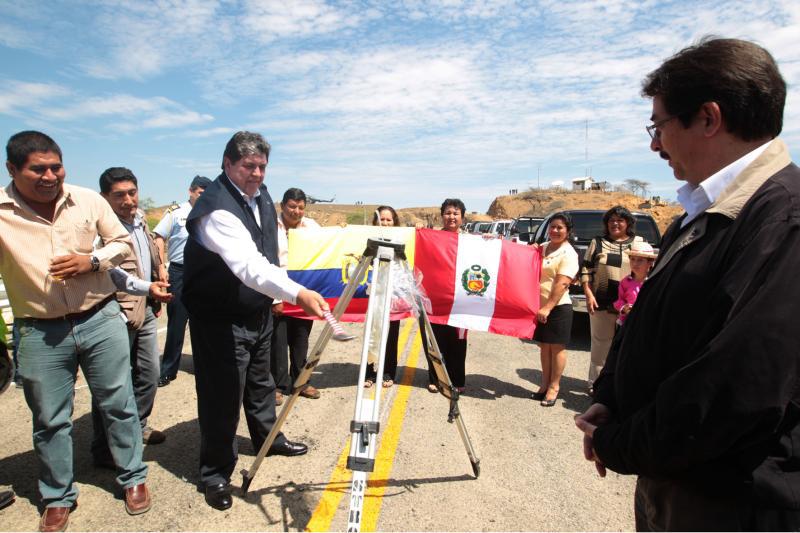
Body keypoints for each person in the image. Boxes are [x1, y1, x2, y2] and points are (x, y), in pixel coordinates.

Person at [575, 37, 800, 531]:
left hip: (732, 502)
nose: (655, 144)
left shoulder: (782, 218)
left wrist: (618, 442)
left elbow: (734, 388)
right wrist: (610, 397)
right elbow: (649, 323)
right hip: (678, 483)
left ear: (708, 118)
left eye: (659, 125)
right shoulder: (697, 216)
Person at [0, 131, 150, 531]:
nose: (51, 176)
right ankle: (57, 496)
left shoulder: (87, 199)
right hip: (39, 331)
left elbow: (121, 241)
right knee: (50, 419)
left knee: (118, 402)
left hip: (99, 319)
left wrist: (93, 260)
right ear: (13, 169)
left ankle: (133, 476)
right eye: (39, 169)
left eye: (56, 166)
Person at [181, 131, 329, 512]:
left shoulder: (260, 195)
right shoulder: (216, 208)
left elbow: (270, 250)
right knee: (222, 395)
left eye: (262, 166)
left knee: (261, 383)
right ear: (227, 164)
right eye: (249, 166)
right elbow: (248, 264)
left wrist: (276, 295)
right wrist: (296, 293)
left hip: (257, 311)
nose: (257, 173)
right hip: (220, 318)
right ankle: (214, 472)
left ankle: (268, 439)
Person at [93, 167, 171, 465]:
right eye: (119, 195)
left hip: (145, 307)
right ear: (104, 198)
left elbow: (149, 255)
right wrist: (146, 287)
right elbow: (109, 273)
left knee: (149, 374)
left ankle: (136, 427)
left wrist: (158, 276)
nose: (128, 200)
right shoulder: (101, 230)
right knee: (112, 383)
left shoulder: (139, 222)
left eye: (132, 192)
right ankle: (103, 447)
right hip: (116, 311)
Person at [153, 175, 211, 387]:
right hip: (179, 271)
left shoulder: (210, 213)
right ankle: (168, 369)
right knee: (177, 321)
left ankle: (203, 367)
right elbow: (159, 236)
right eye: (200, 193)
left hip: (203, 273)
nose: (203, 197)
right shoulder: (176, 213)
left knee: (203, 323)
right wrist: (161, 266)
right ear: (191, 191)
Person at [579, 206, 642, 393]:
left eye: (620, 220)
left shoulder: (638, 243)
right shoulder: (597, 242)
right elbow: (586, 270)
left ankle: (621, 385)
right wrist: (589, 295)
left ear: (628, 223)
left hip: (631, 305)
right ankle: (596, 385)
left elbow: (647, 268)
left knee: (627, 346)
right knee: (601, 345)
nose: (615, 223)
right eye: (611, 220)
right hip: (602, 302)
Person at [270, 187, 322, 405]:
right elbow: (266, 262)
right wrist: (275, 298)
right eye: (292, 206)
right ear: (282, 206)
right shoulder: (270, 227)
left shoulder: (312, 227)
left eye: (301, 207)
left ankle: (301, 382)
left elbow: (327, 248)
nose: (296, 211)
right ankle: (278, 386)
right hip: (278, 292)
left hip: (303, 293)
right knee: (278, 342)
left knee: (301, 340)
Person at [530, 213, 579, 407]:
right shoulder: (542, 248)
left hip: (558, 307)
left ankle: (554, 387)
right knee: (544, 347)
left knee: (556, 348)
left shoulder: (569, 253)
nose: (555, 231)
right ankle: (544, 385)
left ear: (568, 231)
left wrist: (548, 308)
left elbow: (563, 282)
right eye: (552, 227)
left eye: (560, 228)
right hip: (539, 306)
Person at [421, 199, 469, 394]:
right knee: (436, 340)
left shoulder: (470, 240)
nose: (452, 217)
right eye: (448, 213)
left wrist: (490, 239)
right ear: (442, 216)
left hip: (461, 301)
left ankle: (457, 380)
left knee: (458, 342)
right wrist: (418, 231)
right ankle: (436, 378)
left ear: (462, 218)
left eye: (456, 213)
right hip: (436, 299)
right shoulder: (432, 237)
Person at [364, 205, 401, 388]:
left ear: (394, 222)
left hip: (391, 296)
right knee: (372, 334)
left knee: (391, 335)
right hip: (374, 295)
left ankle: (387, 372)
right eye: (382, 219)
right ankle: (369, 373)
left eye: (389, 219)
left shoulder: (401, 239)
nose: (385, 223)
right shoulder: (368, 240)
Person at [612, 241, 656, 326]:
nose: (635, 263)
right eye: (632, 259)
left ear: (650, 262)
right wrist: (624, 308)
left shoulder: (655, 282)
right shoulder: (625, 282)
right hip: (629, 324)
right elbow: (619, 300)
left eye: (640, 260)